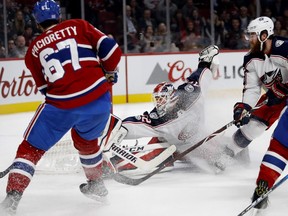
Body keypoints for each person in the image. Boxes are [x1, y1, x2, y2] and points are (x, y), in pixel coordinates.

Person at [0, 0, 122, 215]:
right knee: (87, 143)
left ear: (37, 22)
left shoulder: (33, 51)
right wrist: (109, 72)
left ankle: (13, 197)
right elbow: (112, 51)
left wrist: (68, 101)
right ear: (59, 15)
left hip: (62, 105)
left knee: (30, 150)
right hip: (99, 101)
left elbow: (46, 89)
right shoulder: (79, 25)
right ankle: (96, 184)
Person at [104, 45, 221, 173]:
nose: (159, 103)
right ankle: (114, 164)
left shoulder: (190, 95)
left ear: (171, 96)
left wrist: (205, 63)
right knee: (154, 149)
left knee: (221, 155)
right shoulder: (158, 117)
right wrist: (118, 127)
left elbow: (200, 79)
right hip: (174, 145)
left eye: (162, 98)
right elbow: (139, 122)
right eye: (157, 99)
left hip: (198, 144)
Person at [215, 16, 288, 210]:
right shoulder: (251, 59)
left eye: (253, 35)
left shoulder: (283, 48)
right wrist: (244, 107)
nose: (250, 39)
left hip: (284, 95)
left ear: (265, 35)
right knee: (253, 127)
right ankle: (229, 151)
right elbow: (252, 89)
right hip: (275, 97)